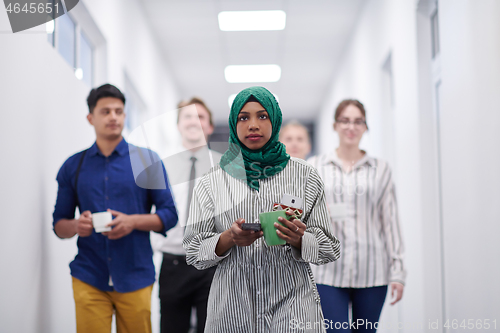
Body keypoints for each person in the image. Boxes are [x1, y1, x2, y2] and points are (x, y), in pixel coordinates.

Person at [183, 86, 341, 333]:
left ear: (275, 120)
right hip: (233, 310)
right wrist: (228, 238)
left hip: (293, 305)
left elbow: (330, 248)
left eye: (262, 116)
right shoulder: (211, 182)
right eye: (243, 117)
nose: (253, 125)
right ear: (234, 125)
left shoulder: (305, 175)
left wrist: (300, 239)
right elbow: (193, 251)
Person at [52, 84, 178, 333]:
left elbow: (169, 215)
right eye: (106, 111)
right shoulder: (72, 166)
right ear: (91, 118)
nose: (113, 117)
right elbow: (59, 225)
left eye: (119, 111)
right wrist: (78, 225)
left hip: (136, 276)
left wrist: (132, 222)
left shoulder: (147, 161)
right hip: (89, 276)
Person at [307, 99, 406, 333]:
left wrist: (398, 272)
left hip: (372, 271)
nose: (351, 127)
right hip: (327, 271)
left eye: (357, 121)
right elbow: (302, 214)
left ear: (365, 127)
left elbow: (390, 222)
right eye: (345, 121)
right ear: (335, 125)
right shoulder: (316, 166)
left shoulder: (380, 169)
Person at [155, 97, 222, 333]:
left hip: (212, 263)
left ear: (210, 126)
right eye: (188, 116)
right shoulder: (161, 164)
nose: (194, 121)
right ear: (178, 124)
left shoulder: (225, 166)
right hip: (173, 261)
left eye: (200, 116)